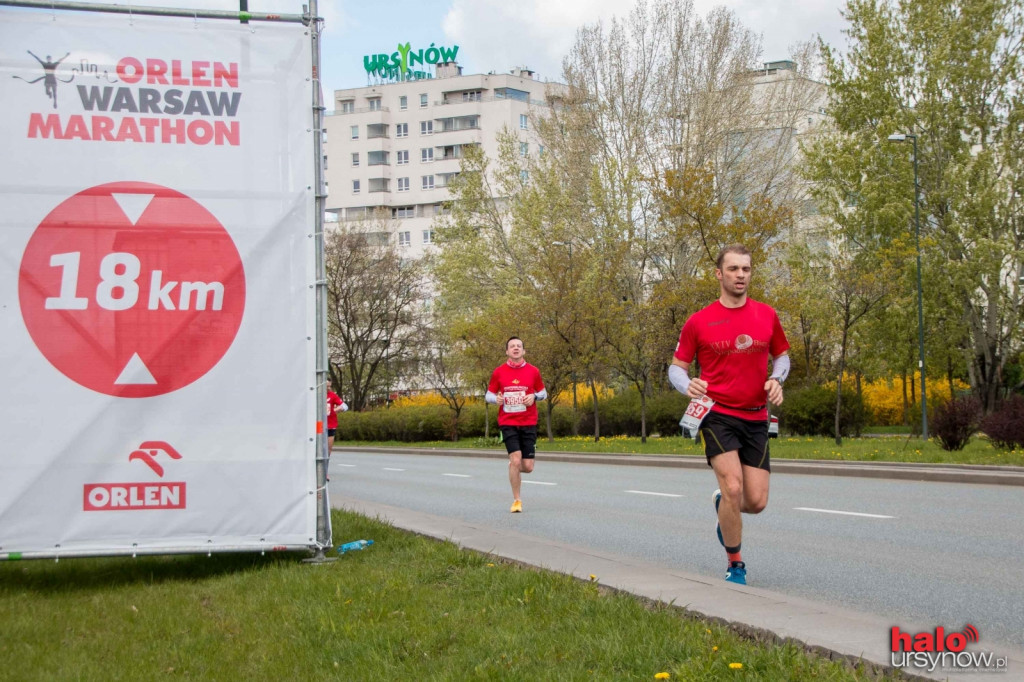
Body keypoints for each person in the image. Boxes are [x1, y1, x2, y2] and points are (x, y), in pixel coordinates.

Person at [668, 244, 790, 585]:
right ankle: (736, 564)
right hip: (716, 413)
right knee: (734, 488)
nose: (740, 275)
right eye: (734, 269)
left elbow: (781, 356)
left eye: (746, 269)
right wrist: (686, 385)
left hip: (756, 415)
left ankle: (723, 505)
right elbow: (676, 368)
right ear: (719, 274)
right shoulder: (699, 321)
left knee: (756, 501)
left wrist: (776, 379)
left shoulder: (767, 315)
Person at [486, 337, 547, 513]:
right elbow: (488, 395)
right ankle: (517, 500)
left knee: (527, 467)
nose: (515, 348)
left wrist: (534, 397)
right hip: (508, 422)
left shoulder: (533, 371)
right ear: (507, 351)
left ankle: (514, 465)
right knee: (515, 458)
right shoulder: (499, 372)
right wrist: (495, 398)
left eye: (518, 346)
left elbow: (543, 392)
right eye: (512, 346)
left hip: (528, 422)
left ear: (523, 351)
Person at [326, 378, 348, 454]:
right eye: (327, 386)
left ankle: (325, 464)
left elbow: (345, 406)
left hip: (330, 425)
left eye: (330, 386)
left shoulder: (332, 395)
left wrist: (339, 408)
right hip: (318, 425)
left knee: (328, 450)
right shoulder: (314, 394)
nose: (329, 388)